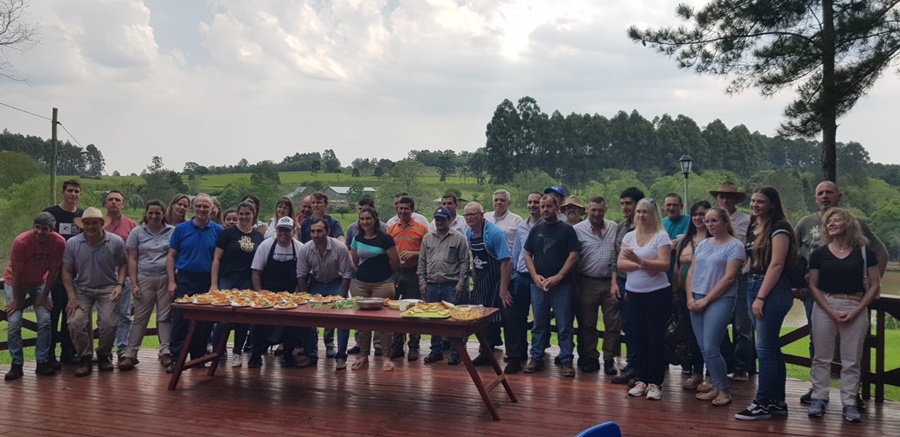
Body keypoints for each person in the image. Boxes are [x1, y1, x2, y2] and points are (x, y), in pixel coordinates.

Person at [795, 181, 888, 405]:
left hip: (852, 298)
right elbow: (795, 257)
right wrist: (797, 284)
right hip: (816, 295)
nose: (825, 196)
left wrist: (871, 286)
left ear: (839, 196)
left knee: (852, 349)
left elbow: (880, 252)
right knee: (817, 345)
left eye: (829, 192)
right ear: (815, 198)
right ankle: (818, 391)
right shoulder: (805, 223)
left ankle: (851, 394)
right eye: (820, 193)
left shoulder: (856, 223)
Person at [806, 208, 881, 423]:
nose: (831, 224)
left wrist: (858, 310)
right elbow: (813, 285)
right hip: (824, 306)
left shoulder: (865, 252)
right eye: (828, 221)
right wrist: (829, 310)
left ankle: (849, 402)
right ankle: (819, 398)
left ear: (848, 223)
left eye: (836, 220)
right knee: (821, 357)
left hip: (856, 304)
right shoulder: (819, 254)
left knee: (852, 359)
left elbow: (874, 284)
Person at [735, 187, 800, 421]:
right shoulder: (755, 227)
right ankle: (777, 401)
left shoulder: (779, 228)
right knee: (771, 348)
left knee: (763, 349)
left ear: (772, 204)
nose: (754, 205)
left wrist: (761, 297)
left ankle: (762, 403)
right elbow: (752, 261)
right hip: (753, 284)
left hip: (772, 289)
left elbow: (777, 264)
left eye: (760, 201)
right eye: (752, 201)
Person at [685, 207, 745, 406]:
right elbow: (692, 272)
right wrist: (690, 297)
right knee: (703, 346)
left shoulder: (735, 246)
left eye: (714, 221)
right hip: (697, 297)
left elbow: (729, 278)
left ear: (725, 222)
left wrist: (706, 299)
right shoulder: (703, 244)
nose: (709, 224)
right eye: (707, 221)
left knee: (711, 346)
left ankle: (724, 391)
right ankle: (716, 385)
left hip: (720, 298)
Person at [617, 199, 672, 400]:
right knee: (638, 337)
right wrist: (646, 265)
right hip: (634, 293)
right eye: (638, 211)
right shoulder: (630, 236)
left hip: (656, 293)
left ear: (653, 214)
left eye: (645, 212)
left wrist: (639, 261)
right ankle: (641, 378)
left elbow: (664, 265)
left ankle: (655, 382)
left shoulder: (661, 237)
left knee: (654, 338)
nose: (641, 215)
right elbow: (621, 263)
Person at [62, 207, 127, 376]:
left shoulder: (115, 241)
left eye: (94, 223)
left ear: (101, 224)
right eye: (87, 224)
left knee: (109, 324)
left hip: (108, 288)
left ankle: (104, 355)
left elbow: (123, 264)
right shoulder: (73, 243)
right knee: (75, 322)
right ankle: (84, 357)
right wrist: (71, 296)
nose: (91, 227)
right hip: (82, 289)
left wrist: (120, 285)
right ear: (82, 225)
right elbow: (67, 270)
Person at [3, 212, 66, 380]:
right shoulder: (21, 241)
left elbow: (53, 271)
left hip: (40, 283)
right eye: (36, 228)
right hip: (16, 283)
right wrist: (17, 300)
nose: (39, 232)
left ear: (51, 230)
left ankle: (42, 361)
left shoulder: (59, 242)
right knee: (14, 323)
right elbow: (16, 273)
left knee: (45, 320)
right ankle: (16, 364)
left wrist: (45, 295)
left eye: (44, 229)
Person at [523, 194, 581, 377]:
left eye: (549, 206)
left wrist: (559, 276)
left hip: (561, 286)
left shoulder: (566, 230)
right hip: (539, 286)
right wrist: (535, 276)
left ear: (557, 208)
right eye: (543, 207)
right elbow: (527, 254)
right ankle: (536, 358)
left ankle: (566, 361)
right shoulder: (536, 230)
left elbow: (574, 255)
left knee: (564, 325)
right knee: (539, 323)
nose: (545, 210)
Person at [166, 194, 224, 373]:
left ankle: (198, 357)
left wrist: (215, 284)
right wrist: (171, 281)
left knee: (205, 321)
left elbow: (219, 259)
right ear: (192, 207)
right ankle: (176, 359)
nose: (201, 210)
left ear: (212, 209)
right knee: (180, 321)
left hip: (207, 280)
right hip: (185, 278)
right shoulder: (181, 229)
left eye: (205, 207)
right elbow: (171, 256)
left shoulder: (218, 230)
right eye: (198, 206)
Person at [119, 200, 175, 371]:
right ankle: (131, 353)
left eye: (157, 213)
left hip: (165, 277)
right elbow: (132, 258)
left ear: (163, 214)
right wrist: (134, 283)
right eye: (150, 212)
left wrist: (173, 280)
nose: (154, 216)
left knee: (164, 317)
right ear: (146, 213)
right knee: (140, 317)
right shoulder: (137, 232)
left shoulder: (172, 231)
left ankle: (165, 351)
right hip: (144, 277)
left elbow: (174, 255)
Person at [710, 181, 754, 382]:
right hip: (718, 278)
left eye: (729, 197)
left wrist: (746, 268)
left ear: (736, 200)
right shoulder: (713, 219)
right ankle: (725, 361)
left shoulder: (747, 220)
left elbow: (752, 248)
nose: (725, 200)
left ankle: (742, 367)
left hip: (741, 278)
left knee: (742, 325)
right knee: (716, 323)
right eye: (721, 197)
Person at [210, 201, 263, 368]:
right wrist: (214, 284)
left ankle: (237, 352)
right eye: (241, 214)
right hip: (227, 278)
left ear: (253, 215)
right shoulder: (227, 234)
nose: (244, 217)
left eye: (248, 214)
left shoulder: (258, 236)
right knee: (223, 318)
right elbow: (217, 259)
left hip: (247, 280)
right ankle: (219, 351)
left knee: (242, 319)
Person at [349, 207, 401, 371]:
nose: (365, 222)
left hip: (382, 283)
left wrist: (384, 275)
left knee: (383, 322)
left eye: (368, 219)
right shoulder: (357, 238)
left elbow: (396, 263)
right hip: (361, 284)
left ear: (375, 220)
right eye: (362, 219)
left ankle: (386, 357)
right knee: (362, 322)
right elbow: (355, 262)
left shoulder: (385, 239)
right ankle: (363, 357)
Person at [297, 218, 353, 367]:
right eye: (313, 231)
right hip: (316, 283)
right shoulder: (305, 249)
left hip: (336, 282)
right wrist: (306, 296)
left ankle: (341, 356)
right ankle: (311, 355)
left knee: (343, 318)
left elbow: (347, 275)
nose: (316, 235)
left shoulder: (339, 247)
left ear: (328, 232)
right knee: (307, 318)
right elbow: (301, 275)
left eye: (319, 231)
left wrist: (342, 297)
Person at [572, 196, 619, 375]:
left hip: (609, 282)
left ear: (605, 210)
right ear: (587, 211)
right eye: (593, 210)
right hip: (587, 281)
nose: (597, 214)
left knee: (612, 324)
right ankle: (591, 357)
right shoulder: (577, 230)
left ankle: (609, 359)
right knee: (587, 323)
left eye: (600, 210)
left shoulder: (613, 227)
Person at [418, 207, 470, 365]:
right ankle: (436, 351)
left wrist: (461, 283)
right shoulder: (427, 238)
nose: (440, 222)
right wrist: (422, 282)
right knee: (434, 321)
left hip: (451, 285)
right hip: (432, 284)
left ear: (449, 220)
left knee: (454, 321)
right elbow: (422, 261)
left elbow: (464, 263)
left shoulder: (459, 238)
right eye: (437, 219)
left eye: (443, 219)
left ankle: (456, 353)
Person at [251, 217, 305, 368]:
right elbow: (256, 271)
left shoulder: (300, 247)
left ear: (293, 232)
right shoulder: (265, 246)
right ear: (276, 230)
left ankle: (288, 355)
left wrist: (297, 293)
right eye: (281, 230)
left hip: (290, 294)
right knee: (258, 324)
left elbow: (303, 275)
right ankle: (255, 355)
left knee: (292, 325)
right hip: (267, 292)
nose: (283, 233)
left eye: (287, 230)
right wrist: (260, 292)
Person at [464, 202, 512, 364]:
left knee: (496, 317)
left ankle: (499, 353)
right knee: (479, 316)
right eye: (467, 215)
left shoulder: (494, 233)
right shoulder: (469, 232)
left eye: (473, 214)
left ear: (482, 215)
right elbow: (474, 259)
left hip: (496, 279)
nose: (469, 218)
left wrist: (503, 289)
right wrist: (475, 282)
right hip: (481, 279)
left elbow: (506, 262)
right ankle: (486, 350)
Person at [43, 179, 84, 367]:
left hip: (76, 275)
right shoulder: (51, 213)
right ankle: (48, 355)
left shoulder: (83, 216)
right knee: (52, 316)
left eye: (76, 191)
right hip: (53, 275)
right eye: (69, 191)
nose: (73, 194)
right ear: (63, 192)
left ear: (80, 194)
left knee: (71, 315)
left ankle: (68, 352)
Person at [674, 200, 711, 390]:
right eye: (695, 214)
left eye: (703, 214)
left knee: (711, 336)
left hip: (708, 293)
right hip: (683, 292)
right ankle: (697, 372)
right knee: (691, 335)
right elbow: (677, 267)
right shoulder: (685, 240)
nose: (698, 218)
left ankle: (711, 375)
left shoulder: (716, 239)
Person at [387, 195, 429, 361]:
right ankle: (397, 345)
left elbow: (428, 252)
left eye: (406, 209)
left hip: (413, 273)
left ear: (412, 210)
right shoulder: (391, 229)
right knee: (395, 310)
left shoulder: (421, 229)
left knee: (414, 310)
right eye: (400, 208)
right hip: (396, 274)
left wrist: (414, 253)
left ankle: (413, 345)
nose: (402, 211)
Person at [344, 197, 387, 357]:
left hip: (380, 278)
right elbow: (348, 248)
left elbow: (391, 255)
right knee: (359, 314)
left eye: (367, 210)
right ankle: (360, 344)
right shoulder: (352, 229)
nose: (364, 219)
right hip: (359, 277)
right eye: (361, 209)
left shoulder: (384, 228)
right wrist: (354, 265)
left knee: (379, 314)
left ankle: (378, 345)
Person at [610, 187, 644, 384]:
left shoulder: (646, 228)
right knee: (627, 327)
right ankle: (631, 366)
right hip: (621, 282)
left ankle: (642, 369)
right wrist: (614, 282)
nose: (625, 207)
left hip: (640, 284)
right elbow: (615, 256)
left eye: (628, 203)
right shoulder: (621, 227)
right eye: (622, 203)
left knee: (641, 327)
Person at [507, 192, 542, 374]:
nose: (532, 205)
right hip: (520, 276)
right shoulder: (521, 227)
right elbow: (516, 252)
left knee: (539, 318)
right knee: (518, 317)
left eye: (536, 202)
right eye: (530, 202)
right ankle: (519, 352)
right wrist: (513, 274)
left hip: (539, 278)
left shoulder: (547, 226)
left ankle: (538, 355)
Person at [103, 190, 138, 360]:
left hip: (125, 274)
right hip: (103, 274)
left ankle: (123, 349)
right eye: (110, 200)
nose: (114, 202)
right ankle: (105, 350)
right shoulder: (98, 224)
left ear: (123, 204)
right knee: (105, 316)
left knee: (124, 313)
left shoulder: (132, 226)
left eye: (118, 200)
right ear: (105, 204)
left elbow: (136, 252)